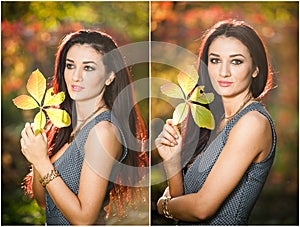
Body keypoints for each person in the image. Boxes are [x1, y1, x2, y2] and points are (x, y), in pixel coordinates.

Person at [20, 30, 148, 225]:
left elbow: (83, 219)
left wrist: (42, 161)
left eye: (88, 68)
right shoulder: (65, 126)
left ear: (109, 76)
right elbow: (45, 203)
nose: (76, 76)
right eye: (70, 66)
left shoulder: (102, 131)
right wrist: (39, 159)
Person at [155, 19, 277, 225]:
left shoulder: (252, 123)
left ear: (255, 68)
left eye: (236, 61)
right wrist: (173, 162)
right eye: (215, 60)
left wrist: (163, 206)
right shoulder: (211, 121)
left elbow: (201, 209)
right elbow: (184, 200)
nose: (223, 72)